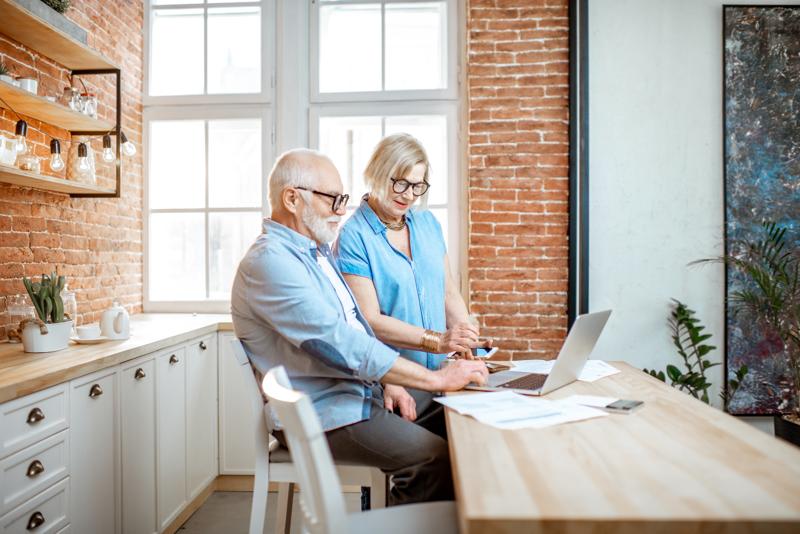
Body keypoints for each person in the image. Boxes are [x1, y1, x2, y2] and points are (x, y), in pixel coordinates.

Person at [231, 148, 488, 505]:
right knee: (434, 459)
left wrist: (390, 379)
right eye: (332, 199)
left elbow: (354, 327)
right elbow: (339, 344)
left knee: (464, 417)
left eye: (343, 199)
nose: (341, 210)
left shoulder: (314, 253)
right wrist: (436, 378)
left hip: (357, 395)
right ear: (292, 198)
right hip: (326, 413)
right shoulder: (270, 262)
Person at [335, 133, 484, 422]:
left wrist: (467, 344)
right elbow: (370, 321)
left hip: (444, 377)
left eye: (417, 185)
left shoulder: (427, 223)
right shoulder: (354, 236)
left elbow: (448, 295)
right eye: (400, 183)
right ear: (377, 173)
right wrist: (439, 340)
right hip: (399, 382)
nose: (409, 195)